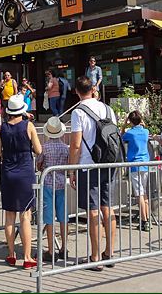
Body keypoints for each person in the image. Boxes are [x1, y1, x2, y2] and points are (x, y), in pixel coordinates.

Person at [69, 76, 117, 271]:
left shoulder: (78, 112)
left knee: (93, 210)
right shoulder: (108, 109)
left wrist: (71, 169)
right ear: (93, 89)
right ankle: (109, 253)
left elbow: (75, 144)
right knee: (108, 207)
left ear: (76, 91)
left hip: (88, 165)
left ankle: (95, 257)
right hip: (109, 163)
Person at [0, 94, 42, 269]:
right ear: (22, 110)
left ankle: (11, 254)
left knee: (9, 216)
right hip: (25, 172)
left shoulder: (2, 127)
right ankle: (28, 256)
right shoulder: (28, 126)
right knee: (25, 216)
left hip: (8, 172)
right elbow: (38, 149)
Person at [36, 115, 70, 261]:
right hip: (62, 182)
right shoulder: (65, 148)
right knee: (63, 217)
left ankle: (50, 250)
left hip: (48, 182)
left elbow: (39, 164)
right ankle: (64, 247)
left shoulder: (45, 147)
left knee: (49, 218)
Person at [121, 110, 151, 231]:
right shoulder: (145, 131)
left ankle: (144, 221)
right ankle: (147, 217)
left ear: (130, 121)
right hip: (145, 163)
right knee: (144, 192)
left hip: (134, 164)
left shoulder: (130, 133)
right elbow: (144, 126)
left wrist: (124, 125)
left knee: (139, 193)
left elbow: (120, 136)